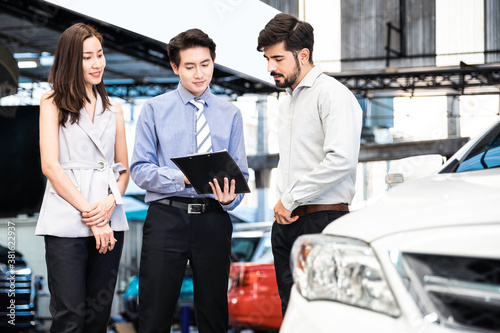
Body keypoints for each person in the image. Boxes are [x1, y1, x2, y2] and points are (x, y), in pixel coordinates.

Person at [130, 28, 248, 333]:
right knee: (155, 312)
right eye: (190, 66)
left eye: (205, 64)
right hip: (167, 217)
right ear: (175, 67)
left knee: (213, 313)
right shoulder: (154, 109)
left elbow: (242, 175)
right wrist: (182, 178)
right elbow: (140, 170)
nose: (199, 74)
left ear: (214, 61)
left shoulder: (230, 113)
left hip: (213, 219)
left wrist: (231, 197)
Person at [257, 13, 363, 315]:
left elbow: (341, 159)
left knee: (324, 314)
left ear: (303, 55)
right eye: (267, 59)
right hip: (287, 224)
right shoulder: (288, 100)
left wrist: (290, 198)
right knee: (293, 314)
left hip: (322, 222)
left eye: (277, 58)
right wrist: (284, 207)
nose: (270, 68)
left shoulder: (333, 95)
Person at [36, 23, 129, 332]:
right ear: (70, 61)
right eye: (87, 57)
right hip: (66, 219)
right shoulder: (51, 102)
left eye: (99, 55)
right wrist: (94, 216)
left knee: (98, 318)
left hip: (110, 217)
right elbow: (50, 166)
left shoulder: (114, 107)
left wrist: (109, 206)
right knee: (69, 317)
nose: (96, 63)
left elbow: (123, 169)